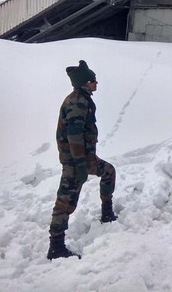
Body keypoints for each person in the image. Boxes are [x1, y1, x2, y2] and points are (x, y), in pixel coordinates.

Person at [47, 60, 117, 260]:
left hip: (85, 158)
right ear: (85, 83)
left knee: (108, 171)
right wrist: (79, 166)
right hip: (75, 161)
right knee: (65, 201)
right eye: (93, 80)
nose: (96, 83)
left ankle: (107, 213)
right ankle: (56, 247)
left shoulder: (83, 99)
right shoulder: (77, 102)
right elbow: (74, 137)